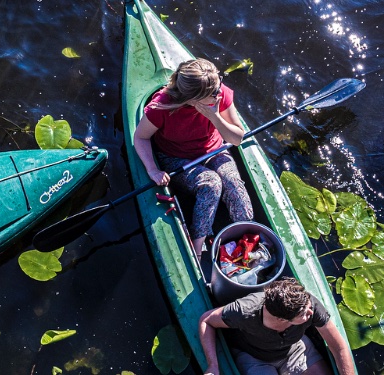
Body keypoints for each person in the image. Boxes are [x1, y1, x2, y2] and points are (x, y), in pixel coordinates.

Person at [133, 58, 254, 254]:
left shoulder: (219, 94)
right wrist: (152, 169)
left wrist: (214, 116)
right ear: (193, 99)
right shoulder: (162, 108)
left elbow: (237, 138)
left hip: (214, 150)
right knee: (211, 183)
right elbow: (140, 137)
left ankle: (247, 236)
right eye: (213, 92)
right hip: (177, 158)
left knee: (232, 181)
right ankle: (197, 247)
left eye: (218, 86)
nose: (218, 93)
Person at [197, 277, 355, 375]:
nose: (310, 313)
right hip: (254, 357)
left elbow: (338, 346)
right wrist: (213, 366)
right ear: (282, 319)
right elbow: (207, 320)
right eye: (303, 315)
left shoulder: (309, 304)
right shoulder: (244, 311)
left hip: (294, 350)